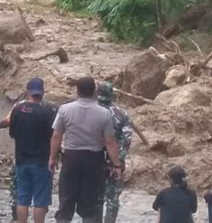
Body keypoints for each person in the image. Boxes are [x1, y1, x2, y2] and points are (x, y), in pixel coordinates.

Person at [49, 77, 122, 223]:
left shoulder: (65, 109)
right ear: (94, 91)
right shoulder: (104, 113)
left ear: (77, 91)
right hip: (94, 160)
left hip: (71, 157)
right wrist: (117, 165)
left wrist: (52, 157)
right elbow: (109, 141)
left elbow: (57, 135)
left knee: (66, 200)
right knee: (91, 204)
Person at [9, 78, 57, 223]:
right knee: (40, 200)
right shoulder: (47, 112)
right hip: (41, 161)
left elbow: (12, 133)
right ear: (42, 92)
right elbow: (53, 136)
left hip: (21, 159)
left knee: (22, 198)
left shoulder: (17, 110)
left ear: (28, 91)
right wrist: (53, 158)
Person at [96, 82, 133, 223]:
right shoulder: (121, 113)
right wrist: (119, 158)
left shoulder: (90, 110)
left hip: (93, 159)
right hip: (114, 161)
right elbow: (127, 139)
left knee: (95, 198)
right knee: (112, 200)